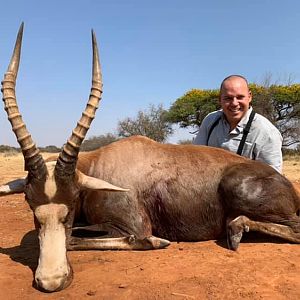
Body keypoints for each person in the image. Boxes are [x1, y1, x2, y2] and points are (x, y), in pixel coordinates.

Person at [193, 75, 283, 173]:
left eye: (240, 97)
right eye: (228, 98)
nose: (234, 103)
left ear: (249, 97)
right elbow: (195, 159)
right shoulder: (210, 120)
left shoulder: (267, 132)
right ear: (220, 99)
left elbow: (272, 178)